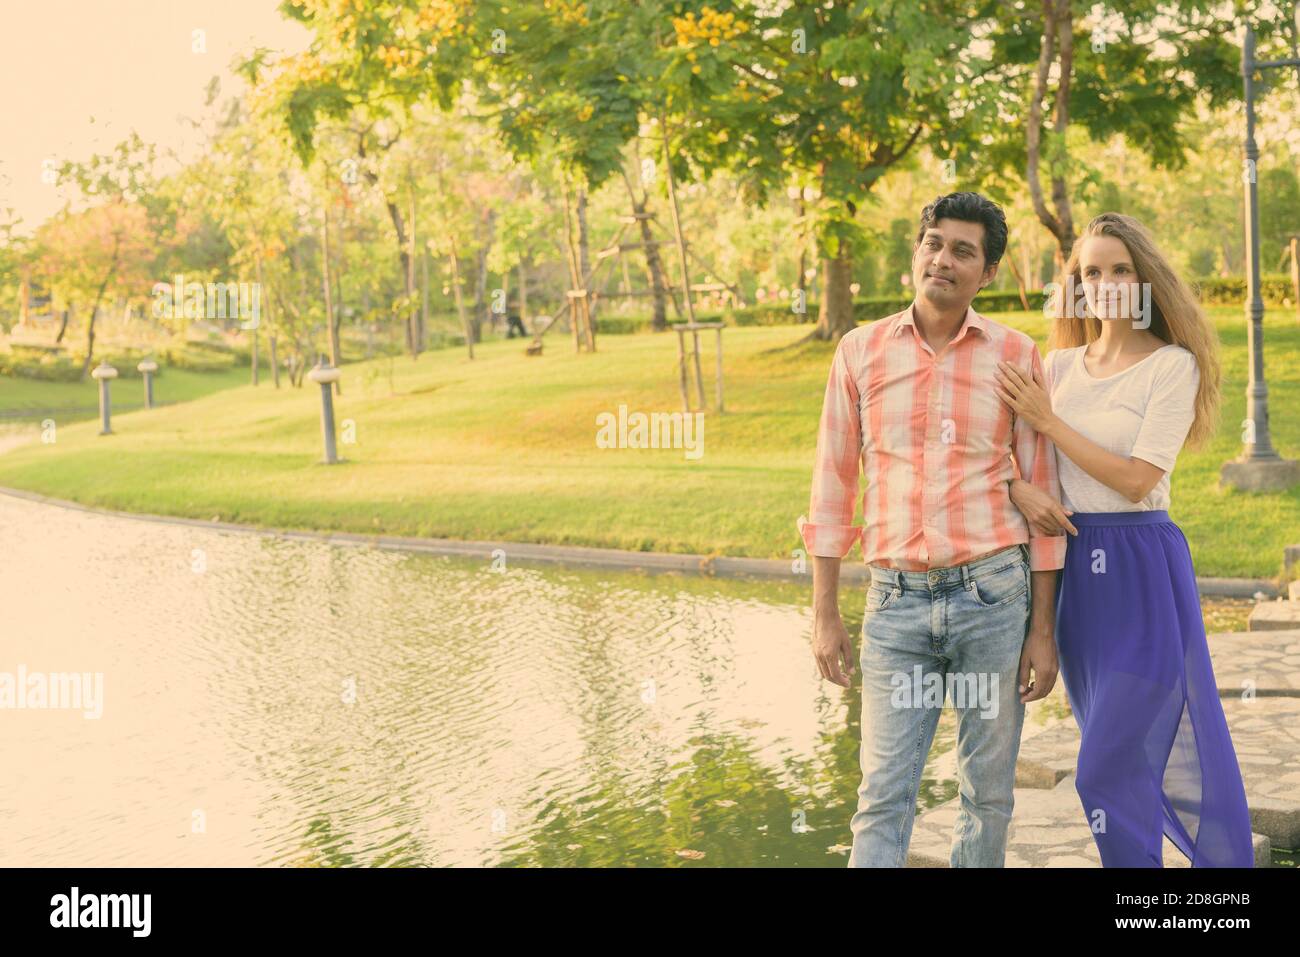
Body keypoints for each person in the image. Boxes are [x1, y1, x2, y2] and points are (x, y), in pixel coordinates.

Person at [799, 192, 1067, 867]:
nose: (943, 259)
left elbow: (1044, 501)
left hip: (994, 599)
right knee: (883, 794)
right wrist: (825, 612)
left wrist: (1043, 629)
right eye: (934, 243)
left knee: (987, 795)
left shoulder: (1015, 355)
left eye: (963, 250)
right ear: (916, 251)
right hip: (895, 604)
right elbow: (832, 488)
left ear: (989, 272)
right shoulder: (859, 352)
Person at [996, 212, 1254, 867]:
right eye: (1090, 271)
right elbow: (994, 453)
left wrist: (1049, 423)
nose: (1105, 282)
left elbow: (1138, 480)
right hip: (1075, 575)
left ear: (1143, 278)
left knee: (1101, 768)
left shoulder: (1172, 366)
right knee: (1120, 769)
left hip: (1143, 573)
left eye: (1120, 269)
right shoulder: (1053, 366)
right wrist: (1018, 489)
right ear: (1076, 284)